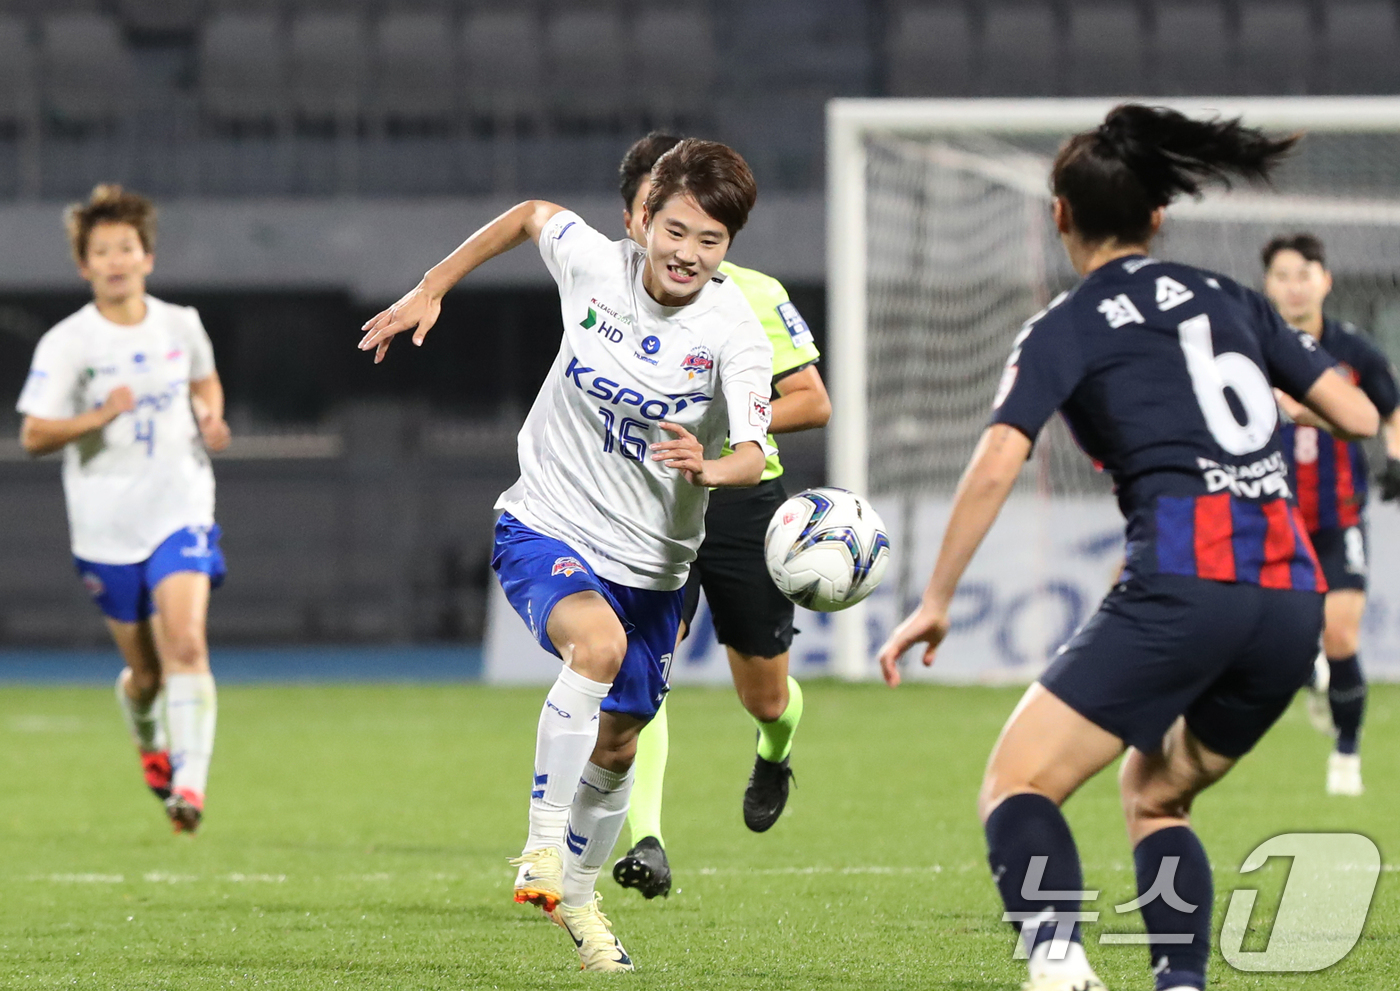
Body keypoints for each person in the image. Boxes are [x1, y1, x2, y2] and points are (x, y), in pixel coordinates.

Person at [876, 105, 1378, 991]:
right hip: (1289, 599)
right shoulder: (1236, 300)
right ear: (1157, 216)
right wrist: (1266, 402)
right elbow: (1360, 415)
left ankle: (1060, 963)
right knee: (1156, 795)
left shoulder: (1068, 324)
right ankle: (1179, 982)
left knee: (1018, 784)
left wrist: (937, 597)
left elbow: (1000, 456)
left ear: (1060, 215)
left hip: (1185, 580)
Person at [357, 139, 773, 972]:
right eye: (677, 230)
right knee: (597, 646)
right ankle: (540, 848)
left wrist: (709, 464)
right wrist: (432, 286)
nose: (689, 253)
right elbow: (526, 217)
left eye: (712, 240)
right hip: (547, 520)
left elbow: (755, 452)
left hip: (654, 562)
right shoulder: (593, 265)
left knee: (620, 742)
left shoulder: (734, 330)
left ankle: (579, 900)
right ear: (642, 220)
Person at [607, 133, 832, 900]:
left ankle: (776, 750)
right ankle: (647, 839)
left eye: (702, 224)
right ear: (638, 217)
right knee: (643, 671)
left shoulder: (752, 296)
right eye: (660, 215)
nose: (681, 236)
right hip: (650, 502)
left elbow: (813, 399)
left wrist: (737, 429)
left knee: (763, 695)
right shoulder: (605, 297)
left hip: (739, 501)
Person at [17, 185, 229, 835]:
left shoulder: (180, 323)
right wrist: (99, 415)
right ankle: (149, 740)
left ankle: (188, 786)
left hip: (181, 504)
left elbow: (203, 379)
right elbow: (33, 436)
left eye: (126, 247)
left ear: (147, 257)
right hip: (107, 525)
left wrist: (211, 413)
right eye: (101, 250)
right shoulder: (67, 343)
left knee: (188, 643)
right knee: (146, 671)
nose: (116, 259)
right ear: (84, 265)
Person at [1262, 233, 1400, 796]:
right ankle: (1306, 673)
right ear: (1268, 285)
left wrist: (1394, 458)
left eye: (1304, 274)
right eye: (1283, 276)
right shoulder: (1250, 348)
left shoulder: (1353, 350)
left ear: (1326, 281)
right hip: (1270, 516)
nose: (1295, 286)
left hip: (1338, 516)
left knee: (1340, 635)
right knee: (1277, 640)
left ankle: (1346, 755)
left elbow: (1392, 410)